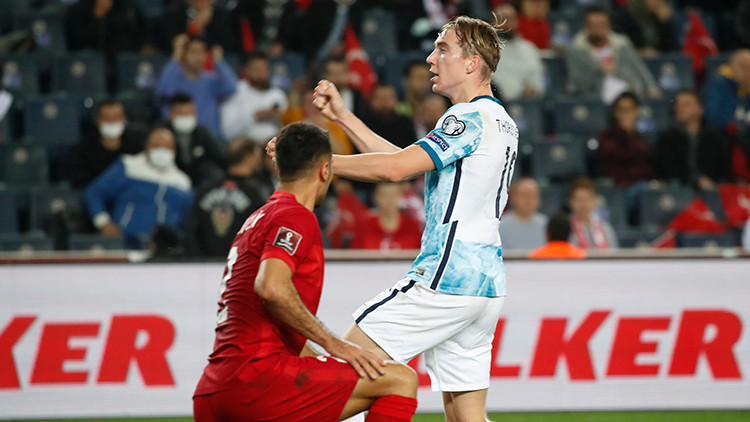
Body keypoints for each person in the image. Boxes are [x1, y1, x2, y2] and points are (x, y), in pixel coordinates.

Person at [271, 15, 517, 421]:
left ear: (472, 62)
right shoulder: (500, 121)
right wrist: (344, 117)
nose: (431, 58)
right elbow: (403, 162)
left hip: (446, 278)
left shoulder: (466, 118)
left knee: (340, 376)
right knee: (467, 417)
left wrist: (313, 161)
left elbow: (393, 169)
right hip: (485, 286)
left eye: (443, 49)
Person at [193, 122, 418, 422]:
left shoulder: (257, 218)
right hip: (257, 383)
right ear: (325, 171)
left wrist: (329, 357)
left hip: (215, 389)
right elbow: (271, 288)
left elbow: (276, 326)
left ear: (279, 168)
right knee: (400, 380)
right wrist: (335, 344)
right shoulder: (295, 215)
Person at [84, 127, 193, 248]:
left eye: (167, 147)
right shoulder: (128, 167)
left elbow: (187, 218)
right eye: (156, 146)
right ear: (146, 147)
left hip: (165, 249)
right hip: (126, 242)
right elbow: (94, 193)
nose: (162, 151)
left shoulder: (182, 182)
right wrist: (103, 223)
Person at [188, 139, 268, 257]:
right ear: (250, 158)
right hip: (239, 261)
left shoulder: (206, 189)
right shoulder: (256, 193)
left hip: (204, 261)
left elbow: (192, 229)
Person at [565, 6, 661, 103]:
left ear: (609, 26)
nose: (598, 29)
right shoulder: (576, 49)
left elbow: (638, 66)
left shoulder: (622, 43)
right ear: (585, 27)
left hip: (629, 90)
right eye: (594, 25)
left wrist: (651, 86)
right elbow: (577, 80)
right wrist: (600, 69)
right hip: (597, 95)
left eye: (602, 25)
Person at [155, 34, 238, 140]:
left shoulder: (211, 80)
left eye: (202, 52)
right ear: (184, 55)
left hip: (209, 139)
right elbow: (162, 91)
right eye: (193, 52)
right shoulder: (175, 77)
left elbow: (232, 88)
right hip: (179, 138)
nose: (198, 57)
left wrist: (218, 61)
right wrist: (176, 56)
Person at [653, 90, 732, 190]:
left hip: (712, 191)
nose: (680, 108)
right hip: (677, 192)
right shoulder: (667, 139)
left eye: (686, 104)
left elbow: (724, 173)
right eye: (678, 104)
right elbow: (666, 173)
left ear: (700, 109)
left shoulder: (716, 139)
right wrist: (695, 181)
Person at [68, 99, 146, 188]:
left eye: (116, 117)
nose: (111, 122)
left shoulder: (137, 147)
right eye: (106, 118)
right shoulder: (83, 151)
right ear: (97, 120)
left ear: (124, 120)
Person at [220, 51, 288, 144]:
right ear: (246, 70)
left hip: (273, 145)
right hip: (245, 144)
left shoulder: (278, 95)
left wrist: (278, 118)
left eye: (264, 69)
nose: (261, 73)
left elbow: (287, 131)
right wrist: (254, 117)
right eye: (257, 69)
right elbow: (228, 132)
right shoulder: (236, 91)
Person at [597, 91, 653, 189]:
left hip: (642, 186)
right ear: (616, 113)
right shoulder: (607, 137)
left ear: (637, 111)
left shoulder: (641, 139)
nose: (626, 113)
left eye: (629, 109)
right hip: (618, 188)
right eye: (622, 110)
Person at [166, 93, 225, 186]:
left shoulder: (202, 134)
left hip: (198, 181)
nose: (185, 117)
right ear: (171, 114)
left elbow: (219, 157)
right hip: (170, 178)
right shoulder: (162, 134)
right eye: (181, 113)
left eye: (189, 113)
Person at [491, 3, 545, 101]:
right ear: (493, 22)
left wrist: (533, 89)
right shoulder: (484, 50)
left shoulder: (529, 49)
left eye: (510, 19)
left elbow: (537, 81)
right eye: (502, 19)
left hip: (526, 102)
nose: (506, 24)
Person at [65, 0, 152, 57]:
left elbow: (145, 36)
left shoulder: (129, 7)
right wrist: (98, 16)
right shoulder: (78, 9)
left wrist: (145, 47)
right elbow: (77, 43)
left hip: (126, 63)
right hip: (94, 65)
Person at [701, 49, 750, 134]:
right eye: (743, 67)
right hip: (721, 136)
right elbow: (714, 117)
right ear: (731, 66)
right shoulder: (717, 84)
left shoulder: (745, 87)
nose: (747, 72)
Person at [162, 0, 234, 52]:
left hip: (211, 58)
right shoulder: (175, 11)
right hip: (183, 58)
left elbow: (225, 43)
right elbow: (169, 42)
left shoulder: (221, 14)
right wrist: (196, 27)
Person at [361, 83, 417, 149]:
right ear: (371, 101)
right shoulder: (362, 125)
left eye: (388, 98)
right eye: (380, 98)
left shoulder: (405, 124)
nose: (384, 103)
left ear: (396, 100)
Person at [613, 0, 679, 56]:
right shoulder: (625, 15)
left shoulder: (660, 15)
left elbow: (672, 48)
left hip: (659, 60)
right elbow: (619, 46)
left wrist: (665, 24)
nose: (658, 2)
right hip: (635, 60)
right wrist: (641, 52)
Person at [568, 178, 618, 250]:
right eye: (579, 199)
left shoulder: (605, 228)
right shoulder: (566, 228)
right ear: (571, 202)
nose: (584, 204)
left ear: (594, 201)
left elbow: (614, 253)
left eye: (587, 199)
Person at [500, 177, 548, 251]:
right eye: (524, 195)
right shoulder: (500, 226)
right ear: (513, 197)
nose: (528, 199)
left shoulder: (546, 225)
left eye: (533, 195)